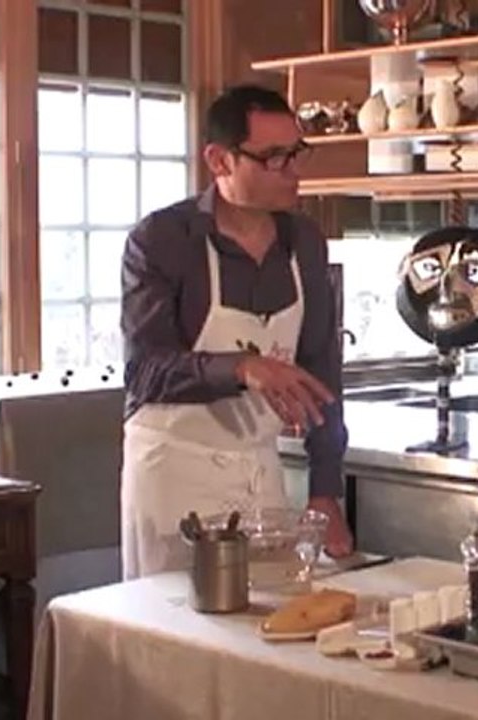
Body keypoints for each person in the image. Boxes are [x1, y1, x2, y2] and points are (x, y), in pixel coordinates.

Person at [120, 85, 352, 579]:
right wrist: (243, 368)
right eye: (273, 158)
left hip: (258, 471)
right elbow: (146, 372)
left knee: (266, 628)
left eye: (296, 153)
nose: (293, 171)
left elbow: (322, 369)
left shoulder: (305, 243)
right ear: (219, 161)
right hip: (174, 473)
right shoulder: (163, 240)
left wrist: (325, 489)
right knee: (174, 635)